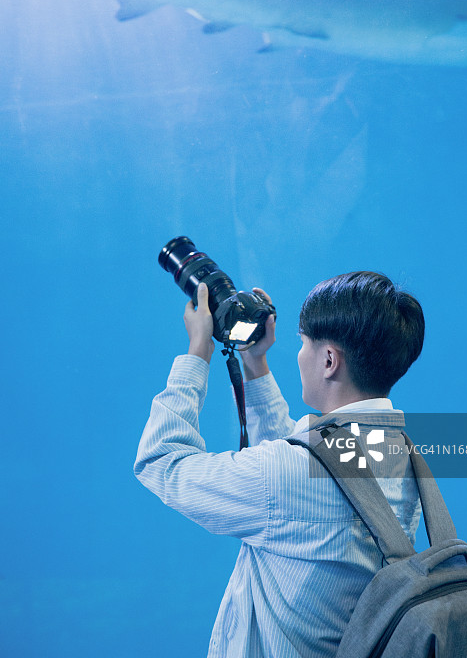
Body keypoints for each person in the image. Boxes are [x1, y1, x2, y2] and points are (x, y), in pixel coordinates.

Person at [134, 271, 425, 657]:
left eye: (304, 343)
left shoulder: (290, 475)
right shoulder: (396, 454)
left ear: (329, 360)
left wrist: (197, 352)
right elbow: (306, 470)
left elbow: (162, 461)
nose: (300, 354)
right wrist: (255, 363)